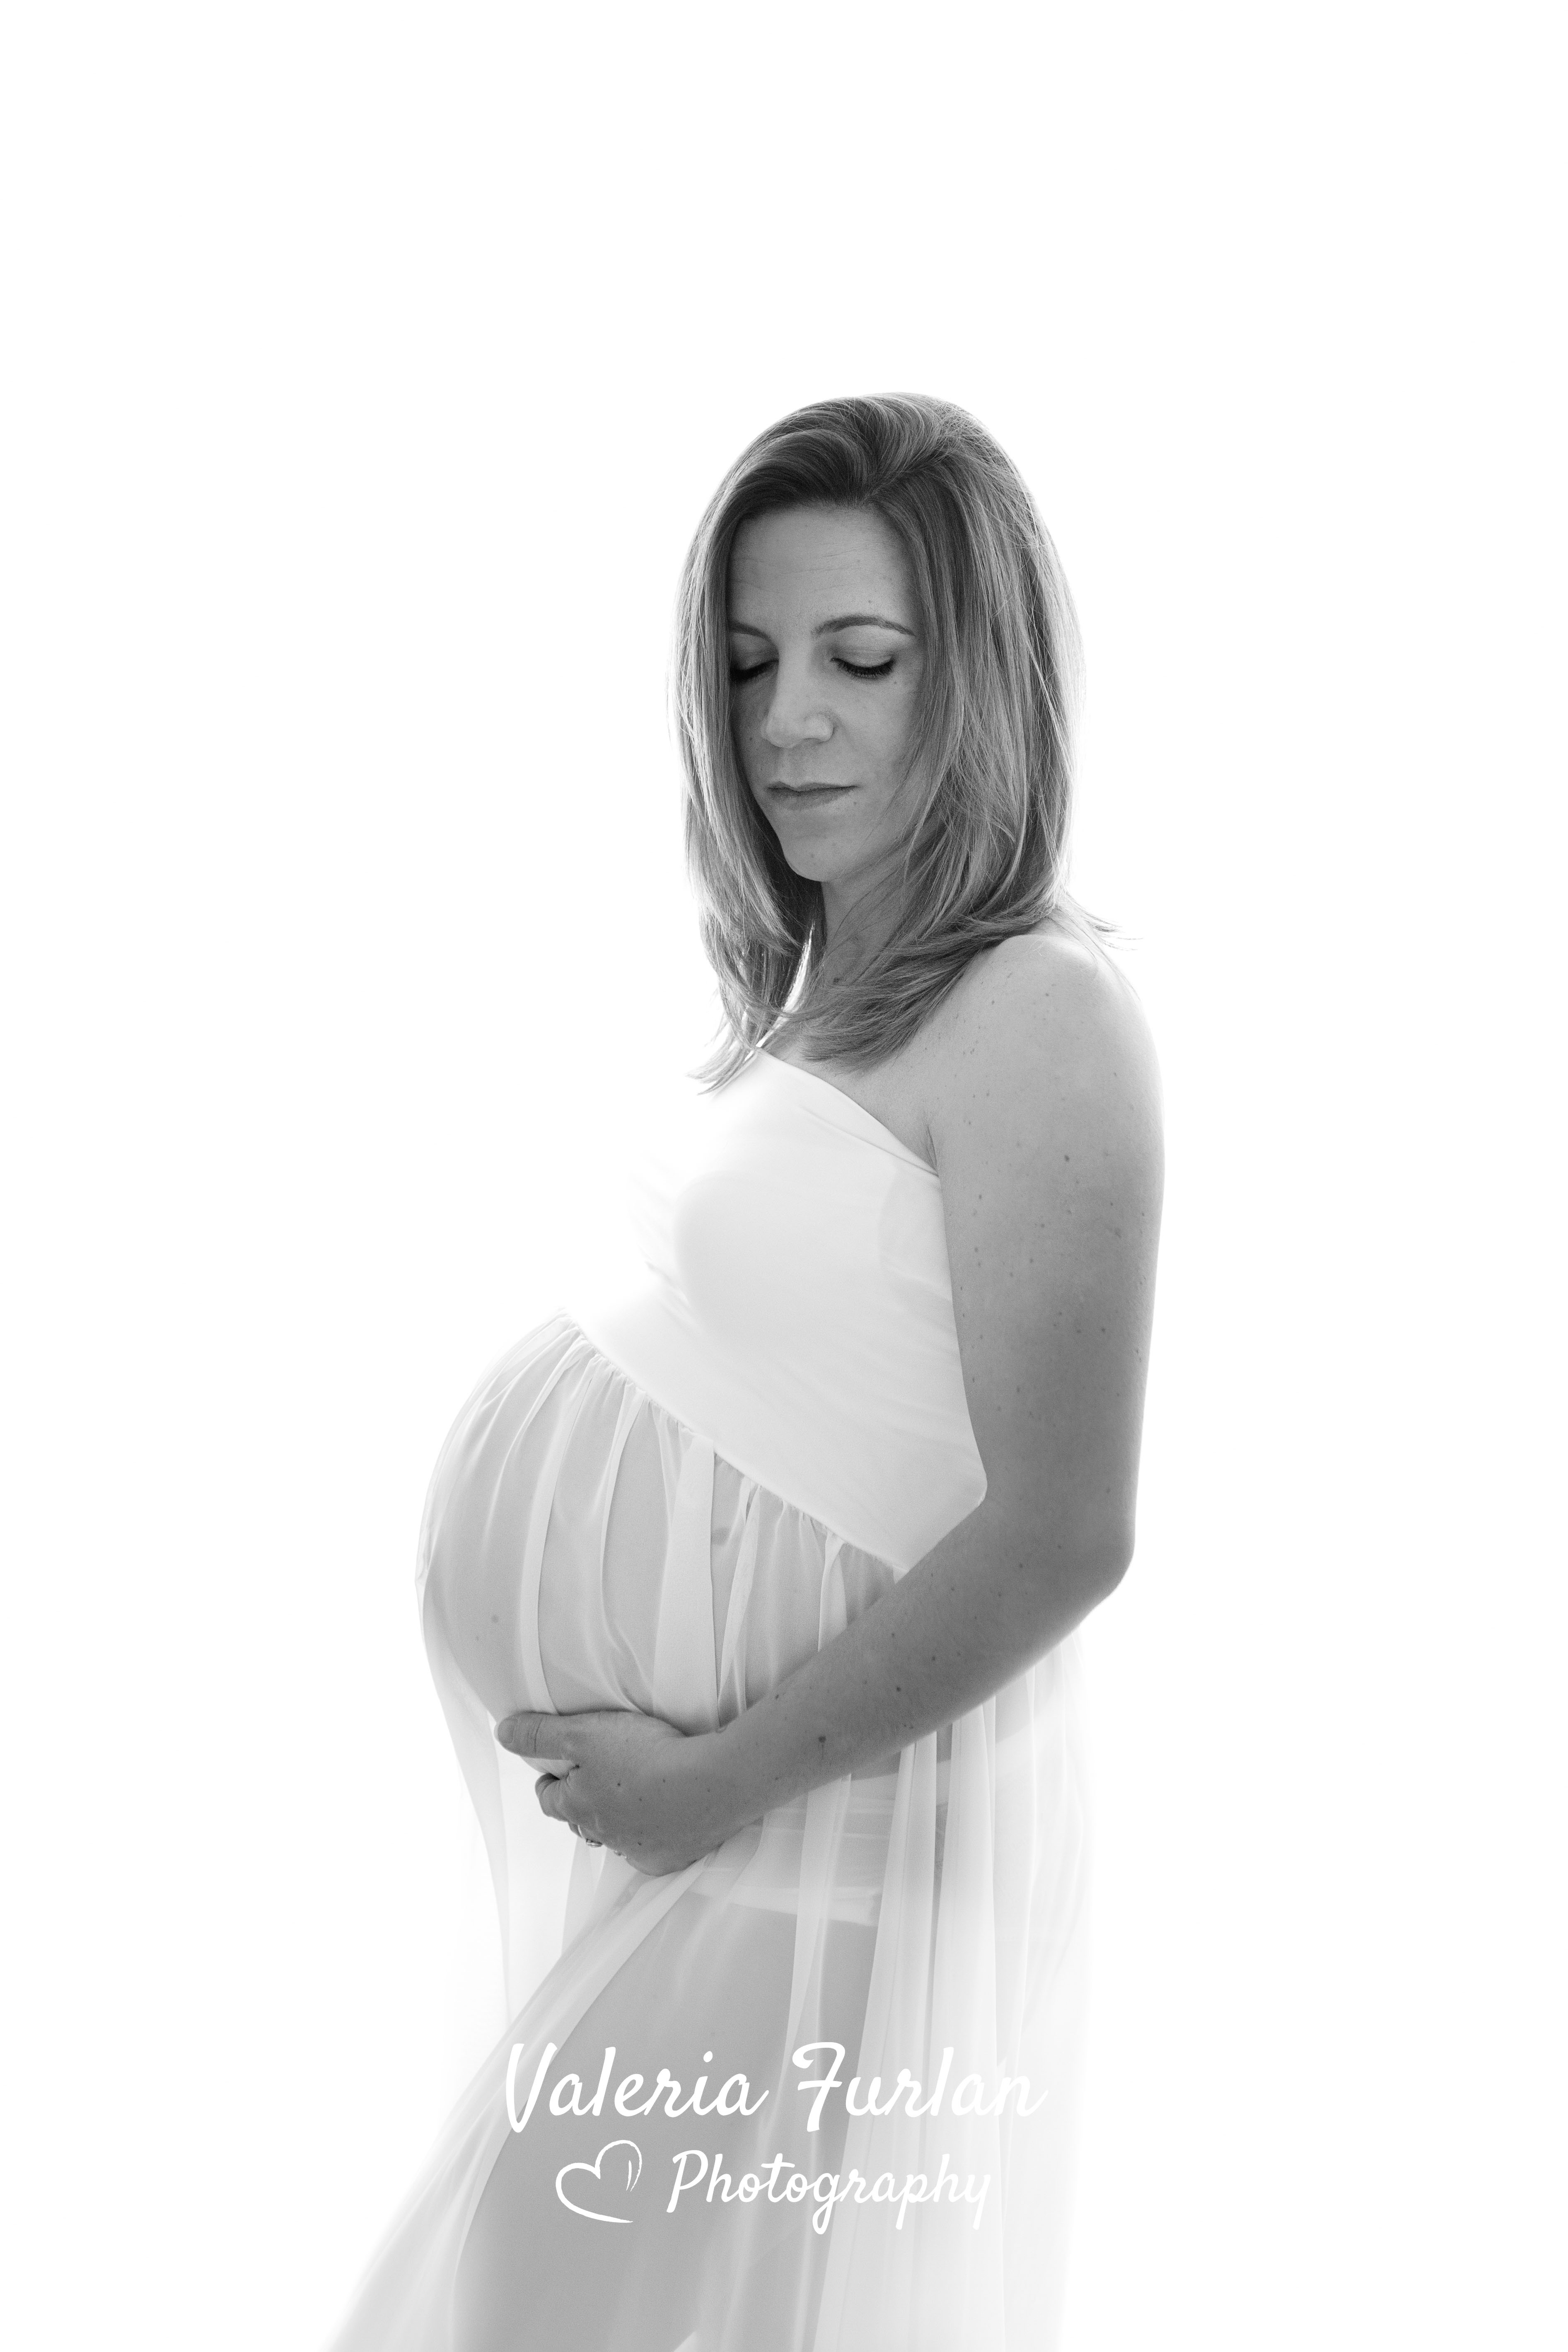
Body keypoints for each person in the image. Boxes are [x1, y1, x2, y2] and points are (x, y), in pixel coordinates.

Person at [320, 392, 1164, 2352]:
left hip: (814, 1854)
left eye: (859, 660)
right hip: (736, 1853)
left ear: (982, 676)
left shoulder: (1038, 1009)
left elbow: (1062, 1530)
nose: (786, 720)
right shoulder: (820, 993)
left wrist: (711, 1781)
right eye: (748, 660)